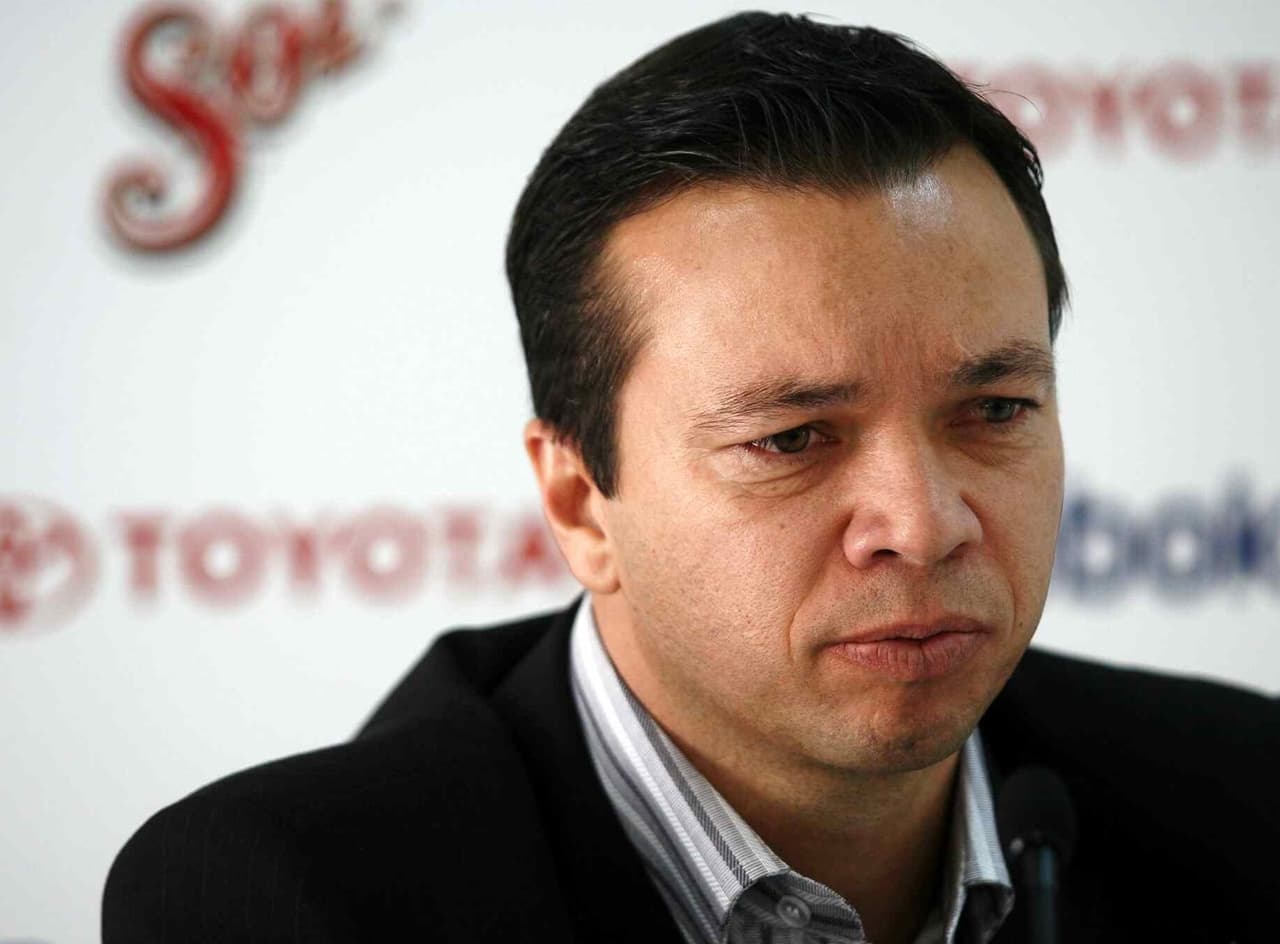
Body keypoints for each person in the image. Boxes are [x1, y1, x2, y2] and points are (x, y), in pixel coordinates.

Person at [102, 11, 1279, 944]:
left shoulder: (1244, 799)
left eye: (994, 410)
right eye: (792, 439)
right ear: (579, 503)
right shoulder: (288, 898)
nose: (922, 524)